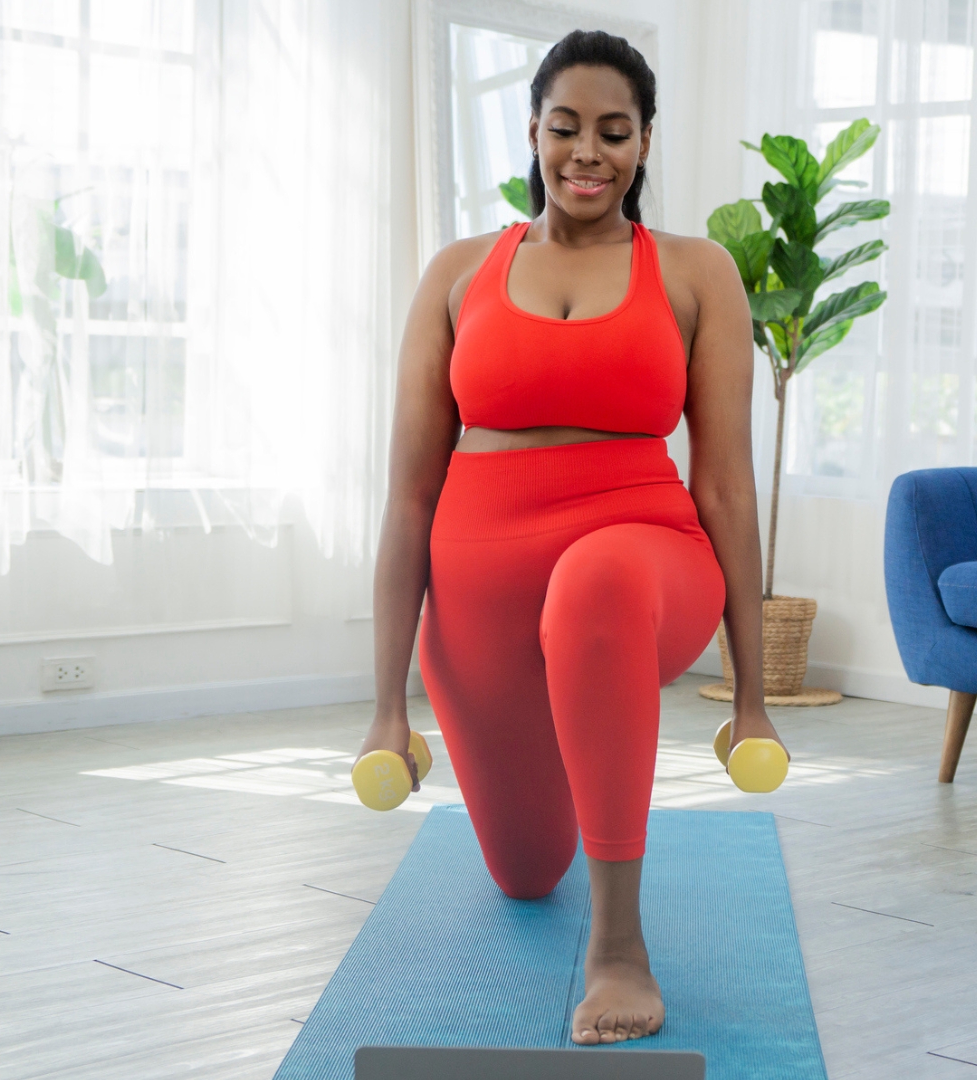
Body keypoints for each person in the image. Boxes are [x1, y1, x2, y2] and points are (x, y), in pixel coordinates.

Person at [363, 28, 783, 1046]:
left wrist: (754, 697)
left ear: (644, 144)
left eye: (613, 131)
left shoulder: (695, 272)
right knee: (523, 871)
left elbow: (725, 484)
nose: (586, 153)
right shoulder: (459, 273)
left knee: (596, 581)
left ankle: (619, 949)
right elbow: (410, 498)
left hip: (641, 552)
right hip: (481, 608)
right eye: (565, 128)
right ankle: (559, 854)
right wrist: (384, 712)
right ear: (534, 133)